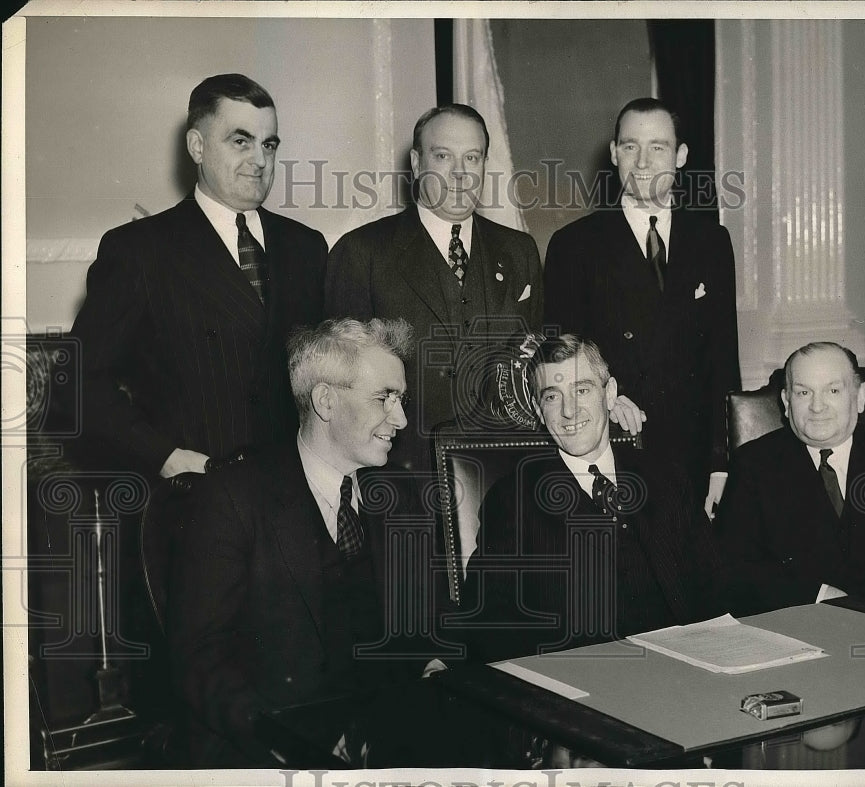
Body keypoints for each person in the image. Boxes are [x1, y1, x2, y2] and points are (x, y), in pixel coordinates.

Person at [168, 317, 435, 766]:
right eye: (384, 398)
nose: (402, 418)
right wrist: (290, 744)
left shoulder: (400, 498)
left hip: (389, 743)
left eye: (401, 399)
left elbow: (425, 627)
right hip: (271, 749)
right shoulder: (233, 498)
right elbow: (200, 660)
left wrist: (433, 668)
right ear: (325, 401)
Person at [71, 73, 327, 479]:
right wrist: (165, 457)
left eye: (269, 145)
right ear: (197, 146)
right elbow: (79, 382)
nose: (260, 160)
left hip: (292, 495)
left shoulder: (306, 247)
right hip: (195, 498)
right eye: (240, 141)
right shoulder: (141, 249)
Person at [463, 334, 721, 663]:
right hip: (579, 686)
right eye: (552, 397)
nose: (569, 411)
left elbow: (716, 586)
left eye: (582, 390)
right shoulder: (511, 500)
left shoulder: (667, 479)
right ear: (540, 412)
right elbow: (488, 620)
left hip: (684, 673)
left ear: (609, 394)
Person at [543, 97, 740, 517]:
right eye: (631, 147)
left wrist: (721, 466)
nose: (644, 161)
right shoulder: (574, 246)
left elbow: (724, 362)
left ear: (681, 155)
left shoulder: (712, 242)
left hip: (692, 459)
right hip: (615, 446)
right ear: (614, 153)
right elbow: (562, 355)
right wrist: (609, 395)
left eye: (658, 147)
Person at [325, 104, 544, 471]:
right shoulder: (361, 252)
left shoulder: (519, 250)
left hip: (505, 475)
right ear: (416, 162)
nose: (460, 174)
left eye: (472, 158)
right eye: (443, 156)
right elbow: (343, 387)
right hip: (400, 479)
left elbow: (536, 363)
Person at [716, 342, 865, 617]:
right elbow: (734, 570)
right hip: (796, 624)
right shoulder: (754, 464)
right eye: (803, 392)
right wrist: (821, 595)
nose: (817, 406)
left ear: (859, 397)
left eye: (833, 390)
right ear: (786, 402)